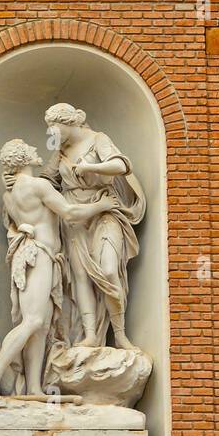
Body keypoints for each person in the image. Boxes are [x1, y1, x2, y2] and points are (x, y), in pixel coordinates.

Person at [0, 138, 116, 398]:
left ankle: (33, 387)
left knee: (40, 325)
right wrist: (102, 206)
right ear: (23, 158)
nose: (35, 149)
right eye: (29, 148)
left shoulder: (9, 194)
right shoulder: (37, 186)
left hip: (40, 256)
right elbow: (69, 213)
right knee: (32, 321)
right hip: (39, 255)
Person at [44, 102, 146, 351]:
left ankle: (120, 334)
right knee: (80, 276)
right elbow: (45, 180)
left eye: (54, 127)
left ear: (68, 123)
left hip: (104, 207)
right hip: (74, 217)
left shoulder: (97, 139)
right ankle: (90, 335)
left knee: (109, 270)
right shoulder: (59, 152)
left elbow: (121, 166)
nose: (52, 134)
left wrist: (90, 166)